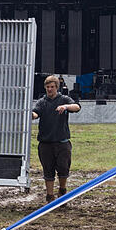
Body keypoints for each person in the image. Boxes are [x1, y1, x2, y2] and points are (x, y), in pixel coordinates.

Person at [32, 75, 81, 204]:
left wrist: (65, 107)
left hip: (62, 142)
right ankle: (49, 197)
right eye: (47, 87)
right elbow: (36, 113)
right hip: (45, 143)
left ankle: (62, 191)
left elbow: (77, 107)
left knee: (63, 168)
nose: (49, 89)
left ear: (56, 88)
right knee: (48, 170)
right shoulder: (42, 102)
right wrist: (30, 115)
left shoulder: (64, 99)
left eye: (52, 87)